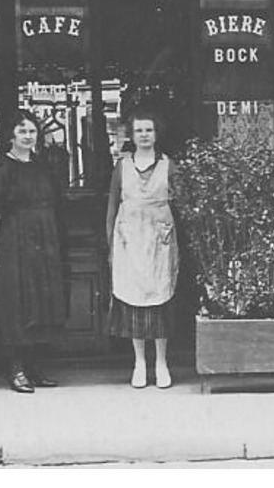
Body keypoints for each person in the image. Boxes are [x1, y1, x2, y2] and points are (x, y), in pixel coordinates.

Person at [0, 110, 69, 394]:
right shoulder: (2, 169)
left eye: (32, 131)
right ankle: (16, 368)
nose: (28, 136)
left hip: (44, 241)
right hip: (15, 242)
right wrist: (1, 246)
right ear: (11, 136)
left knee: (40, 302)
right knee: (17, 303)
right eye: (22, 131)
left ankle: (33, 366)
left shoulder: (42, 166)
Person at [106, 110, 180, 389]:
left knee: (160, 300)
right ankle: (140, 363)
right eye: (139, 131)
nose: (144, 135)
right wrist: (111, 243)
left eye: (149, 130)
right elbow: (112, 204)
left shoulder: (168, 166)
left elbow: (181, 200)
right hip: (129, 238)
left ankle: (161, 362)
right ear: (131, 136)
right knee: (134, 301)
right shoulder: (122, 167)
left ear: (156, 134)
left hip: (159, 240)